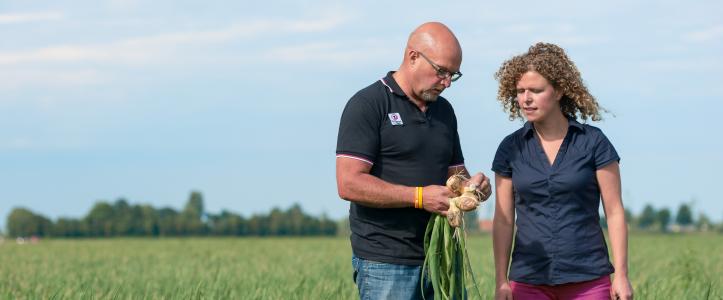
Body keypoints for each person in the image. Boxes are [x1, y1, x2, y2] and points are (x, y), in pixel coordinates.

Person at [335, 22, 492, 299]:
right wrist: (419, 197)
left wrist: (474, 188)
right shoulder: (369, 104)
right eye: (441, 71)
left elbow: (455, 173)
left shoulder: (444, 111)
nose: (446, 83)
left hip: (443, 256)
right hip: (386, 263)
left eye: (452, 75)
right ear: (413, 57)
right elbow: (349, 183)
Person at [491, 43, 633, 300]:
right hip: (528, 280)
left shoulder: (593, 142)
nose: (526, 98)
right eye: (520, 91)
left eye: (535, 90)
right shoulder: (510, 148)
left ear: (558, 91)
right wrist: (501, 280)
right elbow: (503, 219)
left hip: (588, 279)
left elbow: (614, 211)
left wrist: (621, 274)